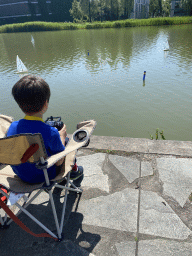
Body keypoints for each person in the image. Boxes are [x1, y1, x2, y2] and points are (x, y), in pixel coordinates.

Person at [7, 74, 83, 185]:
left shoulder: (12, 126)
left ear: (19, 104)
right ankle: (74, 172)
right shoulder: (50, 132)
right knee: (66, 142)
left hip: (22, 175)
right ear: (46, 104)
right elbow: (59, 161)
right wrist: (61, 136)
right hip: (45, 176)